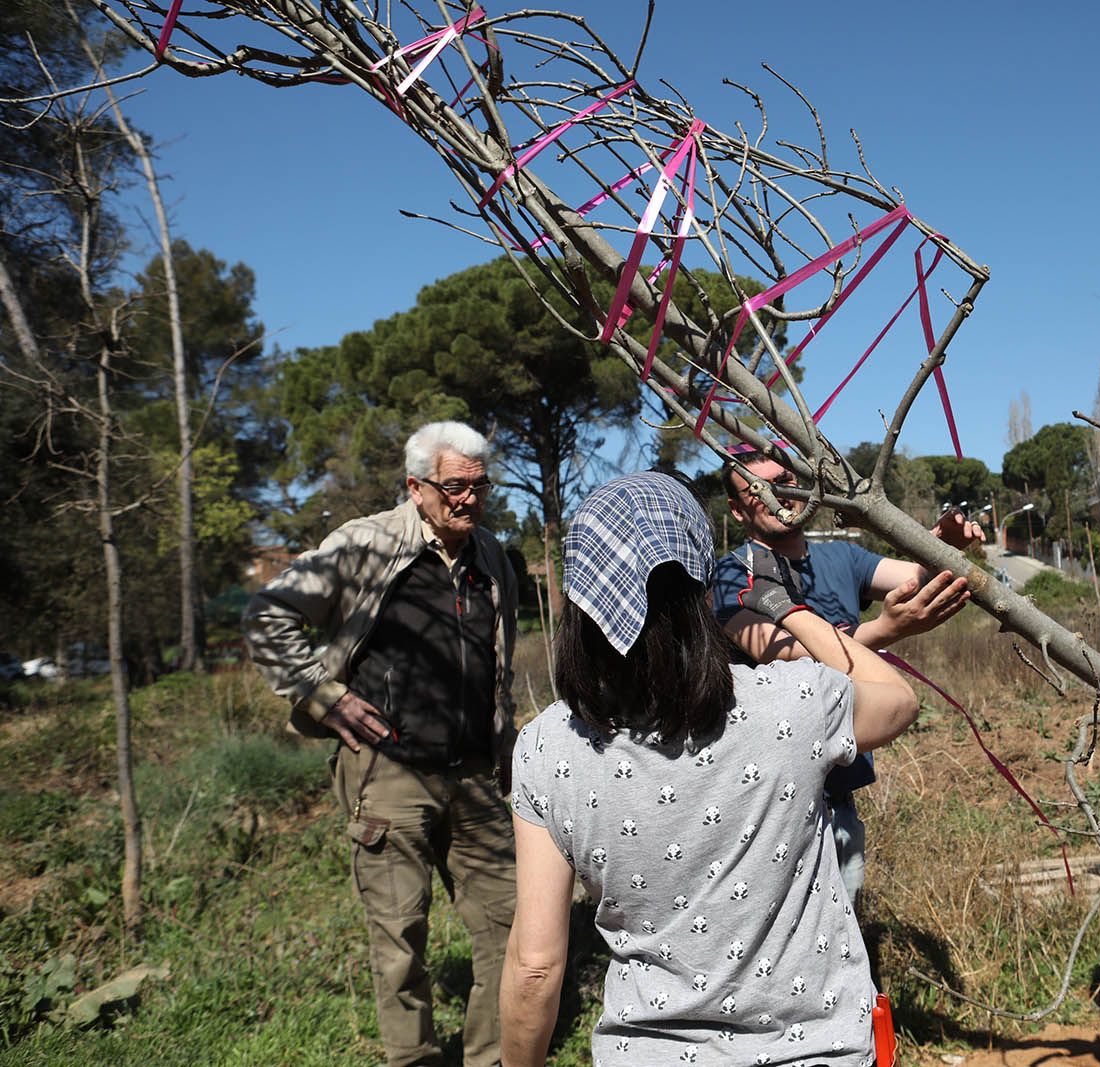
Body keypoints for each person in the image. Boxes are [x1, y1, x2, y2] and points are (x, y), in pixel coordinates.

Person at [499, 472, 919, 1066]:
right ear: (701, 587)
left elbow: (535, 966)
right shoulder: (792, 703)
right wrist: (786, 609)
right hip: (819, 1051)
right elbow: (896, 699)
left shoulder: (547, 748)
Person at [242, 422, 519, 1067]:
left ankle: (491, 1057)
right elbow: (267, 614)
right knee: (400, 939)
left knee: (510, 928)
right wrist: (322, 693)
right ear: (416, 487)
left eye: (480, 487)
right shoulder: (367, 545)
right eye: (454, 487)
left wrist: (503, 737)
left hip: (476, 775)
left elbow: (498, 660)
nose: (469, 500)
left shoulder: (493, 557)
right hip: (388, 773)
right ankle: (415, 1059)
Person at [709, 450, 983, 900]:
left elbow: (916, 574)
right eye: (756, 490)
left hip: (838, 793)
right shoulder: (733, 576)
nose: (776, 493)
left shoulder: (842, 557)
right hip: (769, 799)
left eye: (782, 479)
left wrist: (943, 545)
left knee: (845, 931)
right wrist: (886, 630)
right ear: (738, 511)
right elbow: (791, 659)